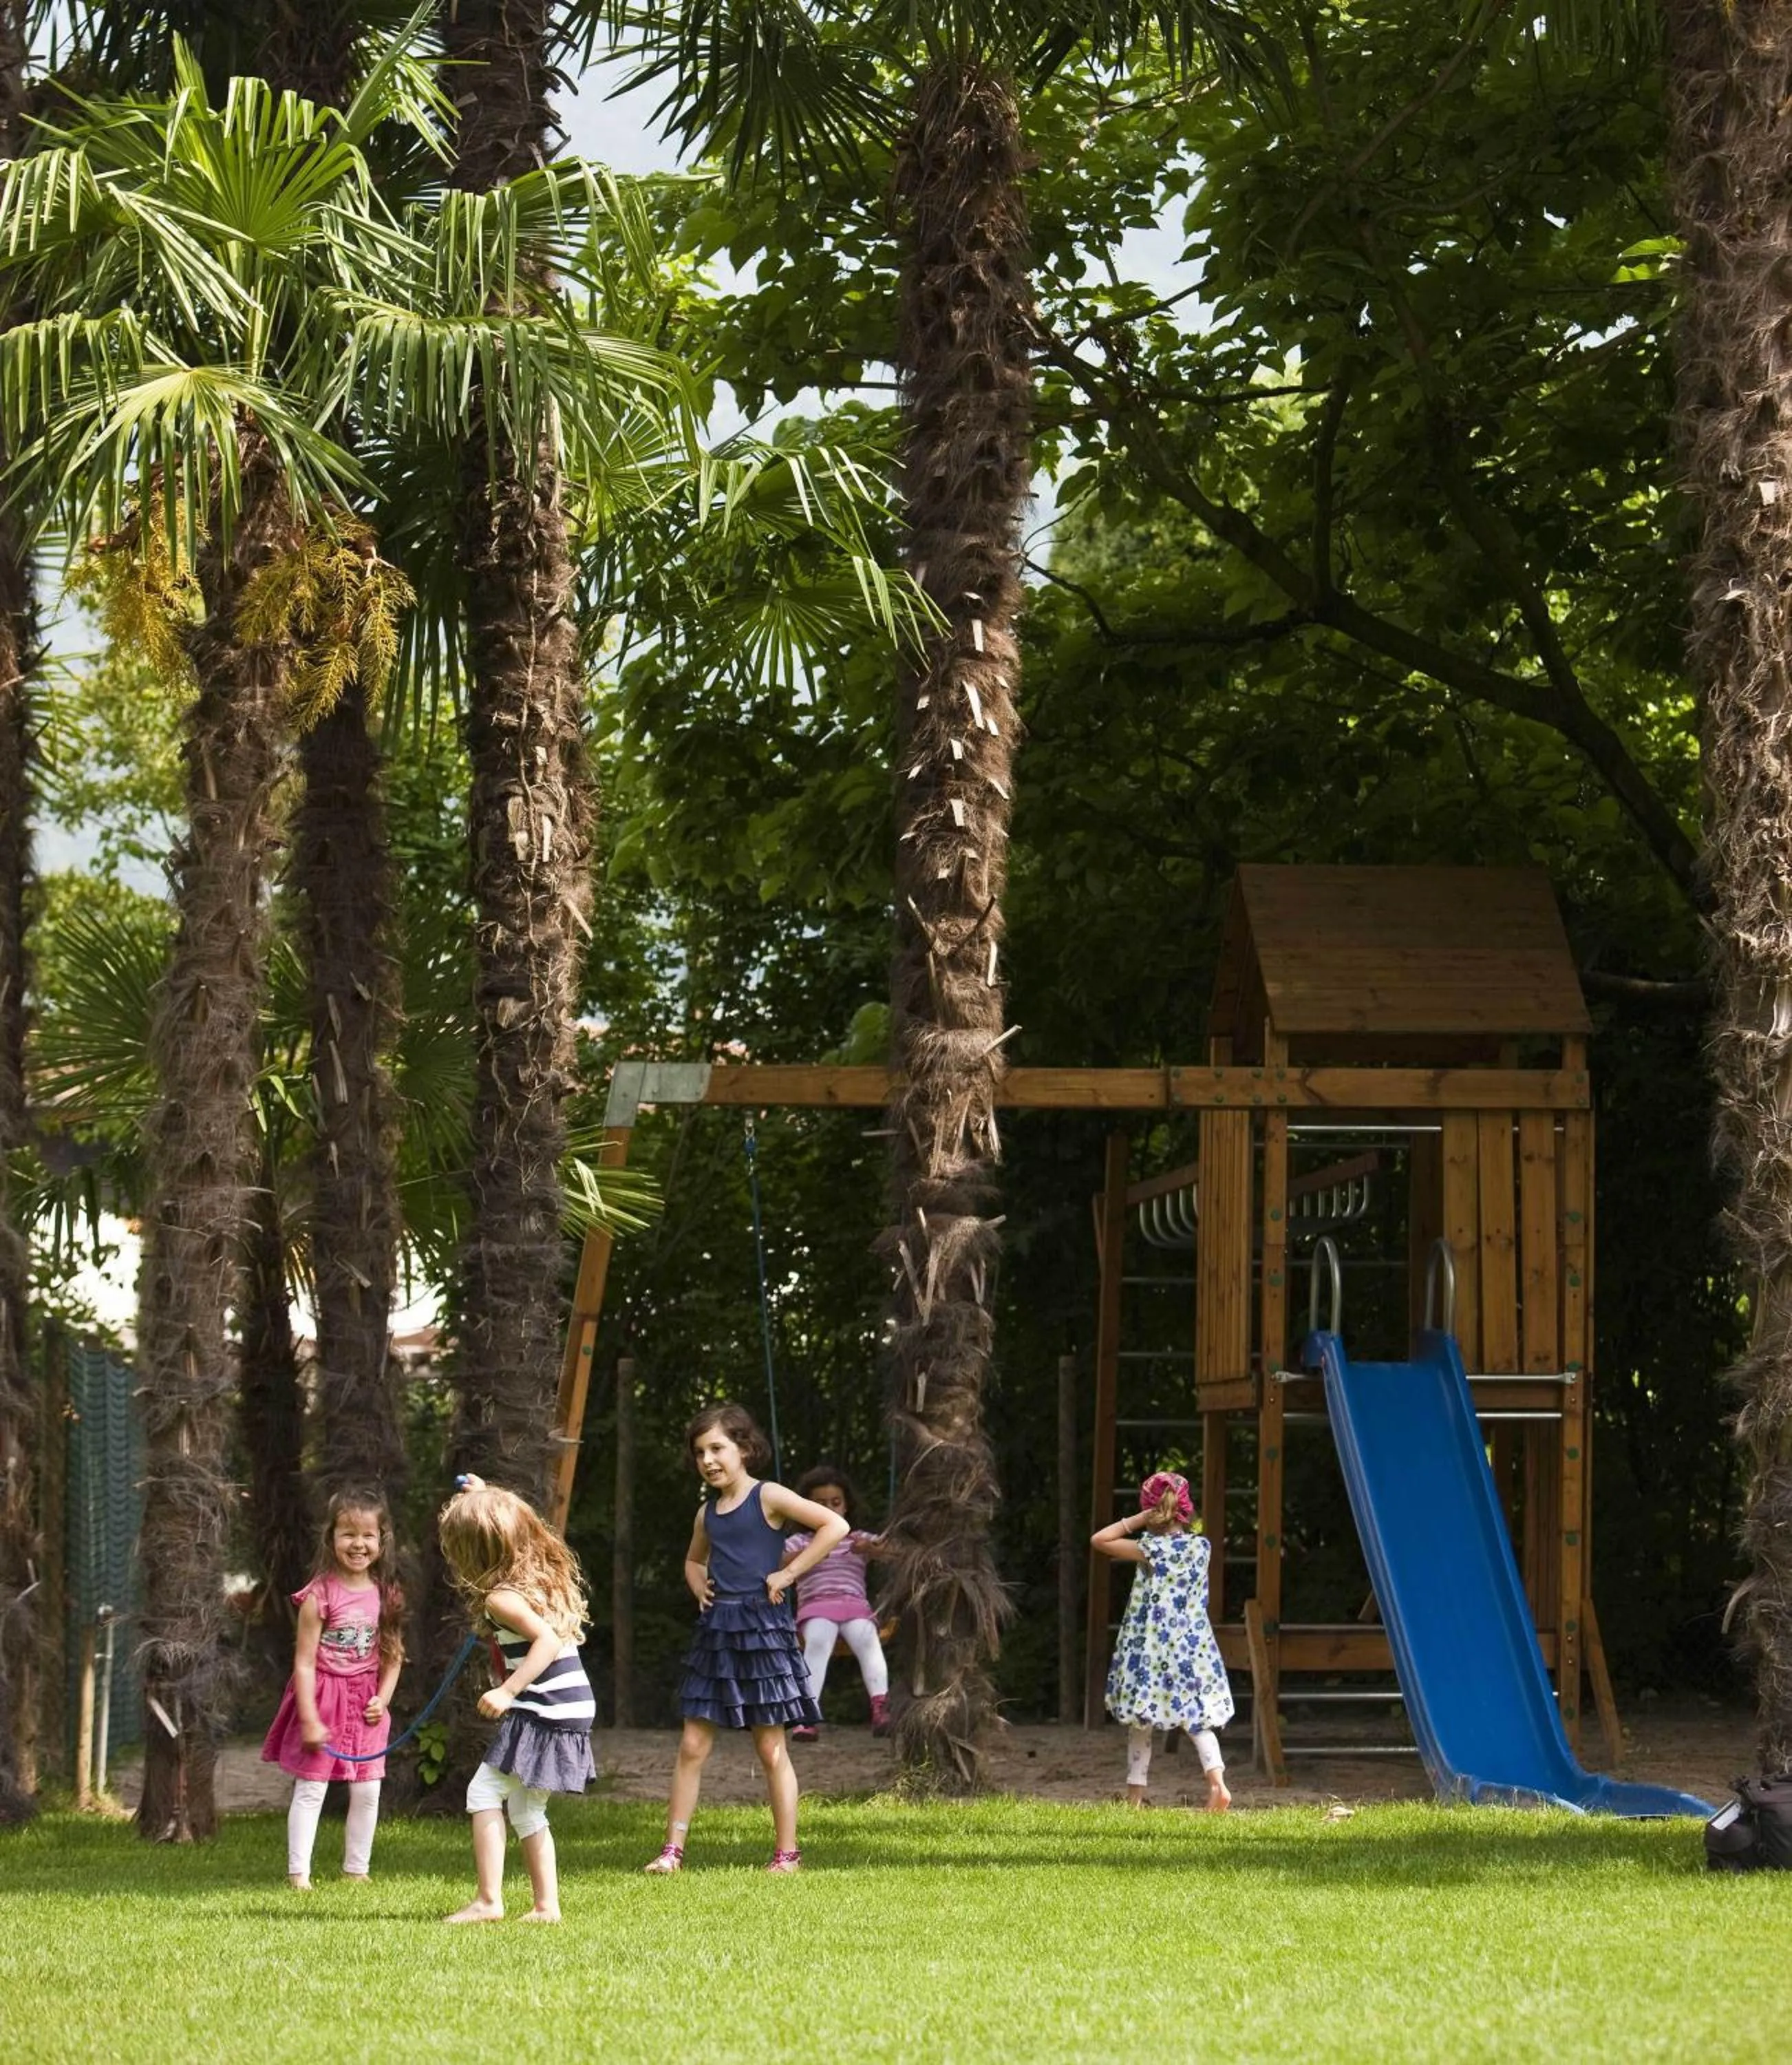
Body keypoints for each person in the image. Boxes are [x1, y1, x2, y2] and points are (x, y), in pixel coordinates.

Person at [644, 1404, 849, 1874]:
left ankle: (787, 1855)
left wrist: (789, 1574)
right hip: (717, 1634)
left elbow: (835, 1526)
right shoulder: (707, 1514)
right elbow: (693, 1561)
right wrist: (699, 1586)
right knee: (692, 1745)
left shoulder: (769, 1496)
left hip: (763, 1634)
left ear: (744, 1448)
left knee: (771, 1748)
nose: (708, 1460)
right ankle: (672, 1852)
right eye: (700, 1452)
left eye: (717, 1448)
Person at [438, 1475, 597, 1923]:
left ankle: (489, 1901)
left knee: (483, 1791)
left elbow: (546, 1641)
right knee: (527, 1807)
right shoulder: (540, 1578)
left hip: (546, 1703)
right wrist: (485, 1497)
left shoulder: (501, 1599)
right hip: (572, 1704)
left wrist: (508, 1690)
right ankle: (546, 1907)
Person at [261, 1488, 405, 1889]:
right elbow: (304, 1663)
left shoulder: (388, 1595)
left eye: (368, 1535)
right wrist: (309, 1718)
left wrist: (383, 1699)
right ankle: (298, 1875)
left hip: (367, 1704)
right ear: (331, 1538)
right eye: (348, 1534)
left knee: (368, 1789)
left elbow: (394, 1655)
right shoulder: (319, 1595)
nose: (358, 1544)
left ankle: (357, 1870)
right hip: (325, 1699)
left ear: (382, 1541)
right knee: (312, 1787)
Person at [1093, 1469, 1234, 1811]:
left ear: (1152, 1510)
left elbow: (1100, 1540)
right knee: (1197, 1718)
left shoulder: (1151, 1549)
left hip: (1153, 1649)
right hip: (1192, 1648)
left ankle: (1135, 1797)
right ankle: (1217, 1784)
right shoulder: (1202, 1547)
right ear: (1186, 1510)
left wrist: (1138, 1520)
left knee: (1141, 1721)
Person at [782, 1464, 889, 1742]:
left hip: (856, 1608)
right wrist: (811, 1552)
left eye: (835, 1502)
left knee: (868, 1641)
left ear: (846, 1506)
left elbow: (896, 1552)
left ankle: (881, 1707)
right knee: (818, 1642)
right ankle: (807, 1715)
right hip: (816, 1608)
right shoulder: (799, 1542)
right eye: (819, 1504)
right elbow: (775, 1564)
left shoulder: (858, 1539)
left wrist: (872, 1550)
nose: (829, 1508)